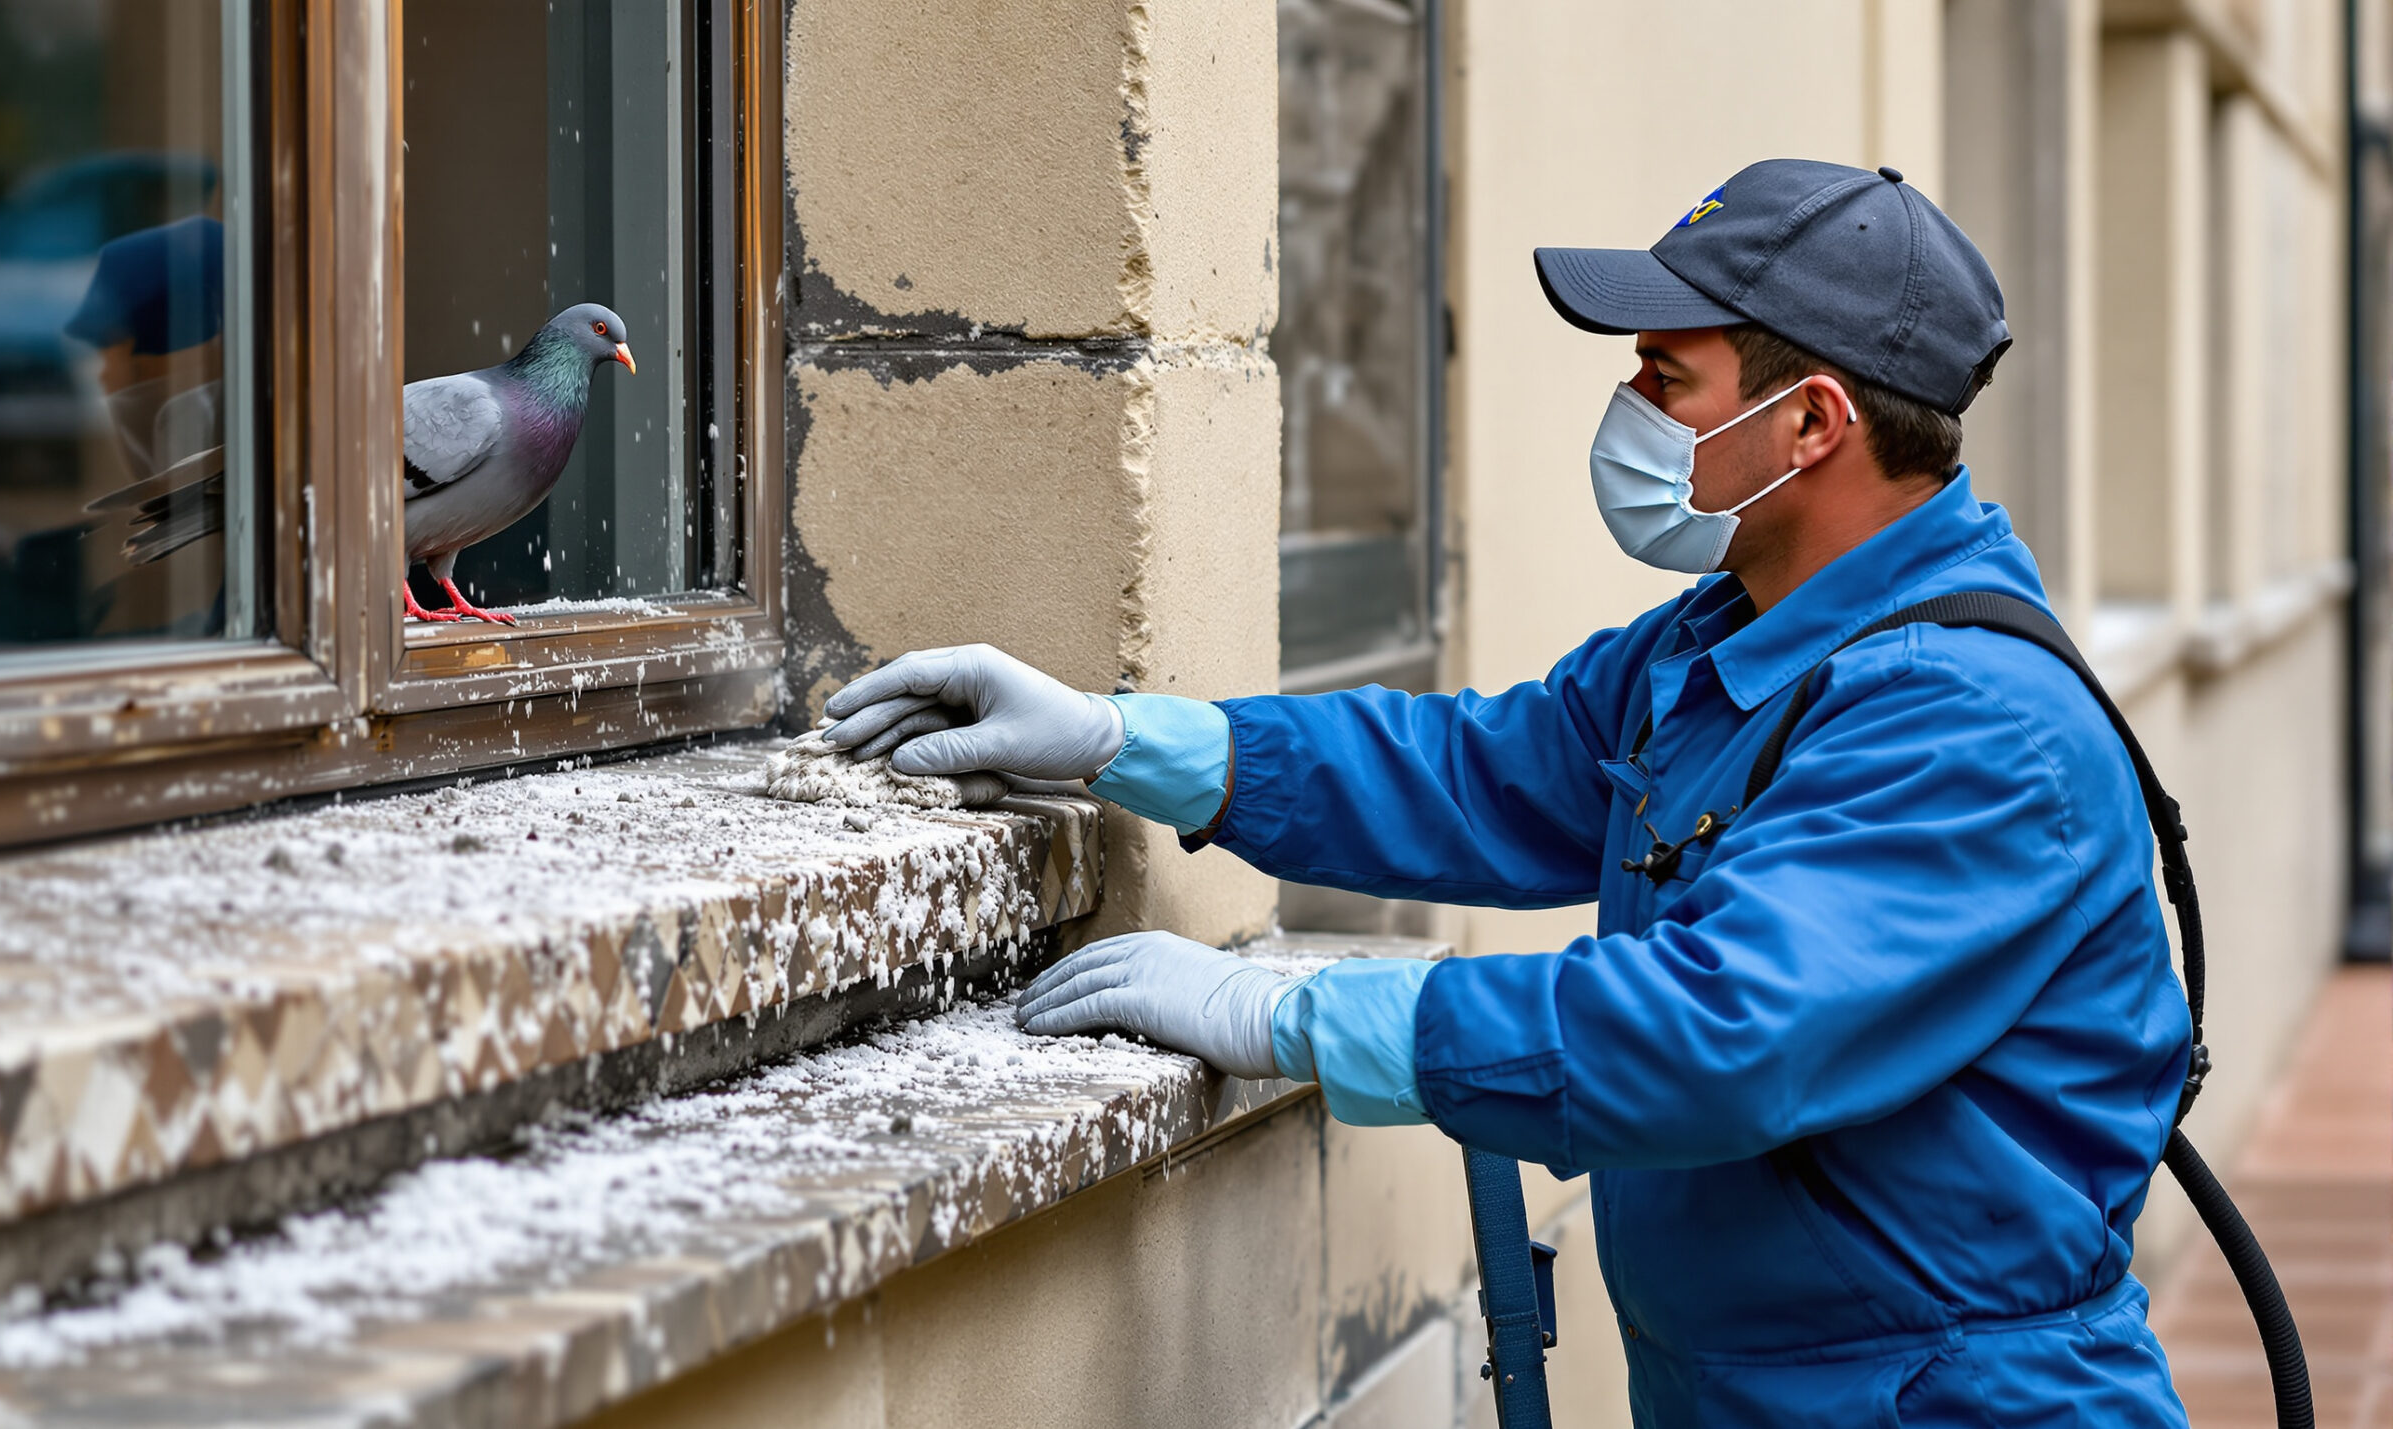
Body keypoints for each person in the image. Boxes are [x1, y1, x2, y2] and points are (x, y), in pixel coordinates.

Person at [818, 159, 2193, 1428]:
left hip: (1955, 1403)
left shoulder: (1968, 724)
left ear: (1814, 422)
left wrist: (1292, 1014)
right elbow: (1484, 771)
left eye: (1667, 377)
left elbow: (1720, 1031)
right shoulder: (1732, 635)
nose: (1628, 412)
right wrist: (1132, 739)